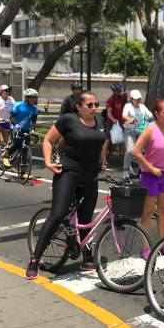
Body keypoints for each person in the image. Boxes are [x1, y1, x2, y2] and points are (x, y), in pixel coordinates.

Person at [26, 90, 108, 279]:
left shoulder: (101, 122)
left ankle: (87, 256)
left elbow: (103, 142)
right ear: (79, 107)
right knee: (58, 214)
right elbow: (48, 139)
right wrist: (47, 162)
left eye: (96, 104)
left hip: (90, 174)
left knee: (86, 219)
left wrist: (103, 161)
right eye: (89, 105)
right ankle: (35, 260)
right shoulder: (69, 120)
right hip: (68, 172)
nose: (94, 108)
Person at [131, 99, 164, 260]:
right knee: (148, 213)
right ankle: (146, 248)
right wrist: (150, 167)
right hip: (150, 176)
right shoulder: (150, 129)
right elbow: (136, 151)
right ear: (156, 114)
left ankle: (163, 245)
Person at [121, 89, 152, 179]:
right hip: (130, 131)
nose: (138, 100)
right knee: (130, 150)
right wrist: (130, 120)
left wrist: (155, 116)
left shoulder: (142, 107)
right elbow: (124, 116)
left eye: (139, 98)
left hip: (141, 132)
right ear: (131, 99)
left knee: (143, 151)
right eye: (136, 98)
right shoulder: (128, 106)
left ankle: (143, 169)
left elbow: (150, 115)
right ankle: (125, 170)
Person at [0, 85, 15, 164]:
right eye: (6, 90)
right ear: (1, 92)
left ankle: (6, 158)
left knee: (7, 141)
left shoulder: (11, 99)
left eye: (9, 90)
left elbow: (15, 108)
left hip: (6, 121)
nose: (8, 92)